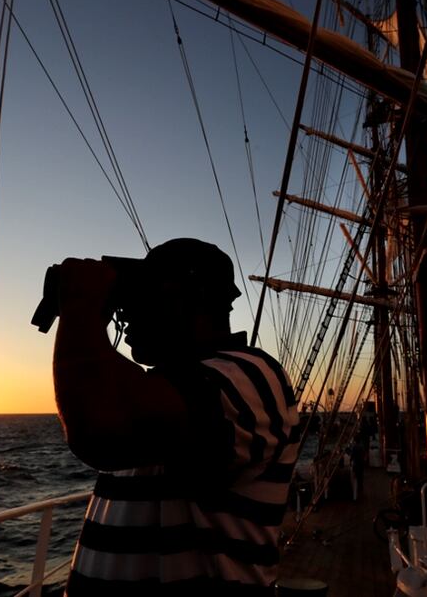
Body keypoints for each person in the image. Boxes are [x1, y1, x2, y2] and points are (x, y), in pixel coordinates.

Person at [52, 238, 299, 596]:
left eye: (144, 294)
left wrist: (81, 306)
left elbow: (97, 429)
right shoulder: (156, 388)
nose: (128, 310)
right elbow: (106, 396)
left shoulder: (252, 377)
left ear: (191, 298)